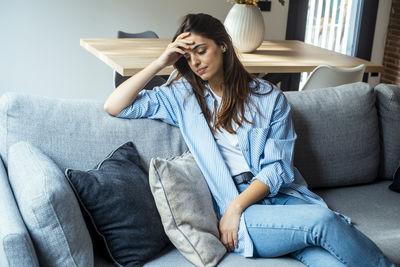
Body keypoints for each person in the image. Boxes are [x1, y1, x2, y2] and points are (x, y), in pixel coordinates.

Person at [104, 13, 394, 267]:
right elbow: (116, 105)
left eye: (201, 51)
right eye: (188, 57)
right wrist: (160, 62)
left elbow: (279, 168)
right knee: (324, 223)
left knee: (324, 256)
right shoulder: (182, 97)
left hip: (282, 197)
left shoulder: (268, 98)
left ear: (223, 45)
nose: (195, 63)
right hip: (241, 207)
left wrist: (236, 207)